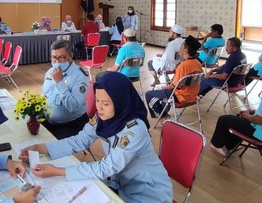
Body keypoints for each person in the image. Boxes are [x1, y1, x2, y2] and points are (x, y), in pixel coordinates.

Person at [19, 72, 173, 203]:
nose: (99, 107)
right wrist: (40, 148)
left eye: (105, 103)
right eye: (97, 100)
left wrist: (58, 171)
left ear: (120, 102)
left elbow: (107, 167)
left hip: (149, 192)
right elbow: (79, 140)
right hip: (122, 184)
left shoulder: (135, 129)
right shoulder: (103, 118)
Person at [41, 40, 89, 139]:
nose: (57, 62)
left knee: (51, 149)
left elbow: (73, 107)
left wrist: (60, 82)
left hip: (70, 124)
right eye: (54, 57)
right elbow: (44, 95)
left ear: (70, 56)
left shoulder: (80, 76)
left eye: (62, 57)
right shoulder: (50, 71)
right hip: (48, 120)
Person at [145, 35, 203, 118]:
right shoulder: (198, 63)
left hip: (181, 97)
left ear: (186, 50)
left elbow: (174, 86)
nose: (180, 47)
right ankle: (164, 109)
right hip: (193, 96)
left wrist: (165, 87)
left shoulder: (183, 66)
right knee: (162, 96)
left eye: (182, 45)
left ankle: (163, 116)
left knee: (149, 94)